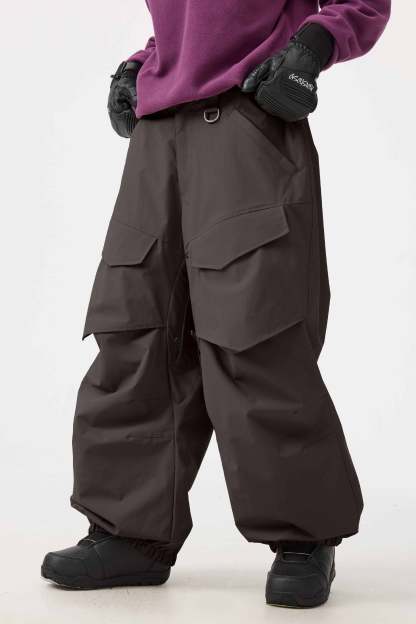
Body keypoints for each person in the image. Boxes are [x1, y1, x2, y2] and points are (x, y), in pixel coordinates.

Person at [41, 0, 390, 608]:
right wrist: (145, 61)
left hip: (245, 115)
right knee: (136, 329)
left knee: (253, 332)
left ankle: (303, 536)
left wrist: (312, 45)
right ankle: (131, 533)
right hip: (157, 133)